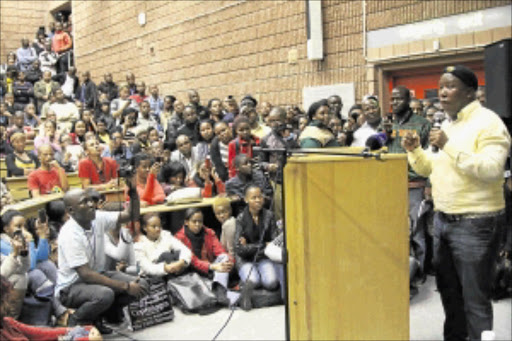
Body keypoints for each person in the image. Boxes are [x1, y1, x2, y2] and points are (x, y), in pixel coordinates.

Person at [402, 65, 511, 341]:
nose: (442, 92)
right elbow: (430, 167)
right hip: (443, 221)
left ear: (471, 92)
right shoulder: (449, 124)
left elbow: (491, 169)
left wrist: (449, 145)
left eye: (449, 86)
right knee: (450, 297)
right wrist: (414, 150)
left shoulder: (489, 122)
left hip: (476, 223)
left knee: (475, 301)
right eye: (440, 87)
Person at [56, 187, 149, 333]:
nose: (91, 204)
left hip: (98, 275)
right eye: (84, 202)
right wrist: (126, 286)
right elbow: (86, 274)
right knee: (105, 294)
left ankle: (106, 316)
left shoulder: (97, 217)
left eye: (90, 200)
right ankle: (77, 321)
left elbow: (132, 215)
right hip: (71, 287)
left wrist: (132, 191)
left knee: (142, 284)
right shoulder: (69, 234)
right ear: (71, 211)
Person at [387, 85, 431, 279]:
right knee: (395, 230)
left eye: (399, 99)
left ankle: (419, 272)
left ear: (409, 101)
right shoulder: (388, 125)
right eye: (392, 99)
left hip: (415, 185)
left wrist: (429, 184)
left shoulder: (422, 124)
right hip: (391, 185)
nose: (394, 102)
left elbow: (431, 155)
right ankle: (400, 271)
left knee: (416, 231)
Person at [0, 276, 102, 341]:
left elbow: (39, 333)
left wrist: (83, 330)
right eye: (4, 301)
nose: (8, 305)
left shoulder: (7, 323)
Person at [175, 208, 234, 306]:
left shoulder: (209, 233)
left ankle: (220, 290)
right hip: (193, 273)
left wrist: (229, 261)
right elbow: (192, 260)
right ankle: (225, 293)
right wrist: (212, 266)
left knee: (225, 257)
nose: (198, 225)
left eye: (200, 221)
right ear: (186, 222)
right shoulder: (179, 238)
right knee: (205, 290)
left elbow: (220, 251)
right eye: (194, 221)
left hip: (213, 269)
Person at [234, 186, 280, 311]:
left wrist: (249, 245)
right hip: (245, 259)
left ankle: (249, 288)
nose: (258, 200)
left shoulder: (269, 216)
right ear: (246, 200)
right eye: (254, 197)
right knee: (253, 281)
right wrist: (263, 245)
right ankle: (245, 288)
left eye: (260, 196)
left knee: (271, 283)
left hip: (264, 257)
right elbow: (239, 249)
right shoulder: (241, 219)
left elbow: (274, 243)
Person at [259, 106, 298, 220]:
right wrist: (268, 166)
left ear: (285, 120)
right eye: (271, 121)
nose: (274, 124)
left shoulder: (295, 135)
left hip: (294, 179)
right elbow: (260, 163)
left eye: (277, 120)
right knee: (280, 214)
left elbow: (299, 153)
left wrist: (289, 139)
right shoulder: (266, 139)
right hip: (277, 181)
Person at [134, 213, 191, 277]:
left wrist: (182, 262)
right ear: (145, 228)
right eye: (154, 226)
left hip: (173, 271)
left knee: (176, 255)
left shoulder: (165, 235)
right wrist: (165, 268)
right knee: (165, 256)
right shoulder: (139, 246)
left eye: (159, 226)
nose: (158, 229)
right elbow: (147, 268)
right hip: (153, 279)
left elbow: (185, 250)